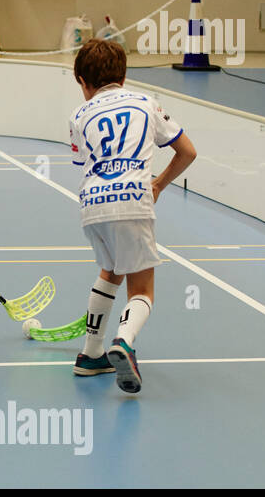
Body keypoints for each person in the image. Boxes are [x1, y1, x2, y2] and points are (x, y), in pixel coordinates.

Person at [67, 38, 198, 394]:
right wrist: (157, 185)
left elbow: (83, 163)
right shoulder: (146, 103)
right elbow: (187, 152)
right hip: (132, 199)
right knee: (141, 289)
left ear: (82, 81)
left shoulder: (79, 115)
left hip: (91, 204)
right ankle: (123, 342)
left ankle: (91, 354)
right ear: (123, 77)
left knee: (110, 271)